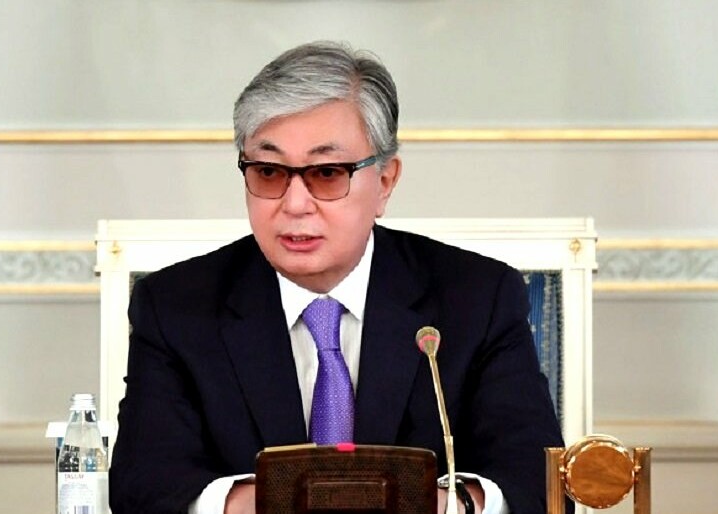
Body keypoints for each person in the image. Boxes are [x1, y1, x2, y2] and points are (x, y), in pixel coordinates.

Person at [109, 41, 563, 514]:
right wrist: (287, 502)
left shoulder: (478, 298)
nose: (294, 204)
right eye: (269, 172)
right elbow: (143, 485)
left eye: (327, 173)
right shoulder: (176, 307)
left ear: (384, 182)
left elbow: (539, 483)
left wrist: (432, 504)